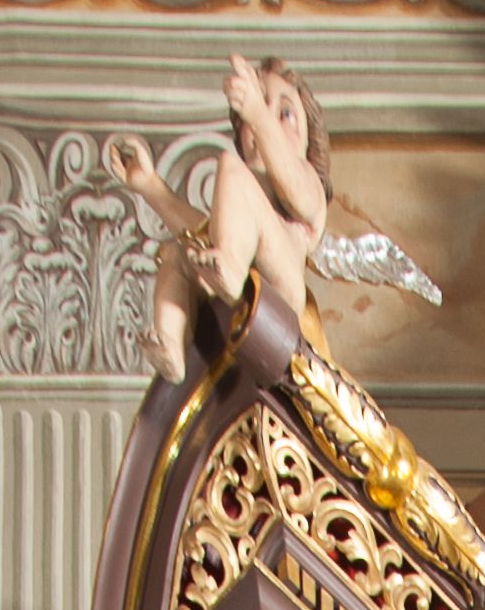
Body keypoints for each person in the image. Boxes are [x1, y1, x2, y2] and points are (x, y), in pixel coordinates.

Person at [109, 54, 329, 384]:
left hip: (282, 295)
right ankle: (170, 344)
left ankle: (229, 269)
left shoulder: (308, 180)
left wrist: (258, 114)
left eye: (285, 113)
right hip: (237, 286)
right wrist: (149, 185)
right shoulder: (241, 189)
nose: (267, 117)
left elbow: (294, 188)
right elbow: (201, 231)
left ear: (309, 139)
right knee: (178, 252)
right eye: (256, 107)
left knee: (230, 170)